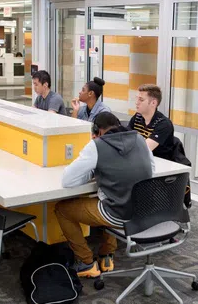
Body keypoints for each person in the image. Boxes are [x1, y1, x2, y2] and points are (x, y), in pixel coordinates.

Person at [55, 112, 154, 278]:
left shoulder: (97, 145)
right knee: (108, 197)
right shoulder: (139, 139)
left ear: (97, 131)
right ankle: (107, 255)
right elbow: (151, 170)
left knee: (63, 209)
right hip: (143, 211)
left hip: (117, 213)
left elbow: (67, 180)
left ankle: (86, 262)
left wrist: (94, 173)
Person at [128, 84, 175, 160]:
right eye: (137, 99)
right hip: (139, 161)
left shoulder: (164, 124)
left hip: (159, 164)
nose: (137, 102)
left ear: (153, 103)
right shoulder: (137, 117)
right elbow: (125, 138)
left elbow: (144, 149)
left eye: (141, 100)